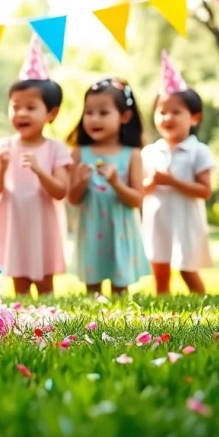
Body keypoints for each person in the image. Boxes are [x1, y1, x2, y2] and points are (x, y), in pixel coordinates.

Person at [0, 37, 71, 297]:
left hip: (43, 220)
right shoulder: (2, 147)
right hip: (14, 219)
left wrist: (39, 170)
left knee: (45, 280)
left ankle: (47, 313)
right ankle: (23, 311)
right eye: (15, 107)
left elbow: (61, 191)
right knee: (18, 277)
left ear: (51, 113)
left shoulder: (56, 149)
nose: (21, 114)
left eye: (31, 107)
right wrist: (2, 168)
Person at [67, 77, 149, 295]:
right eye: (89, 112)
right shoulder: (78, 153)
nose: (95, 119)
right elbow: (72, 199)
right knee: (92, 288)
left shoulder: (131, 155)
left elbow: (137, 200)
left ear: (124, 116)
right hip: (92, 229)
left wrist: (115, 182)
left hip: (120, 230)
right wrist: (81, 182)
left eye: (103, 113)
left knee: (120, 289)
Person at [142, 52, 215, 294]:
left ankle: (205, 306)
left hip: (184, 221)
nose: (167, 118)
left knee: (187, 270)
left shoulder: (198, 151)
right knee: (159, 269)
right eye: (162, 112)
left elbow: (205, 190)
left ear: (194, 117)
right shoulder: (151, 152)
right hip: (158, 220)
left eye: (176, 112)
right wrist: (152, 182)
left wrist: (172, 181)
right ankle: (162, 310)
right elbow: (140, 190)